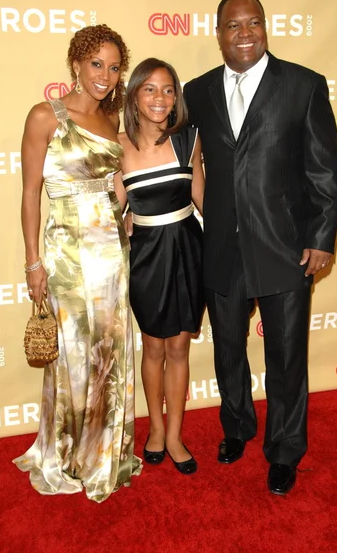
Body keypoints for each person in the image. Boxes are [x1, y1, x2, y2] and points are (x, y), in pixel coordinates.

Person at [183, 0, 337, 495]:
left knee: (288, 356)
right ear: (219, 33)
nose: (245, 33)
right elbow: (180, 161)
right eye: (233, 25)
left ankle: (285, 449)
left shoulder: (303, 85)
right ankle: (237, 427)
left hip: (286, 246)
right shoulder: (198, 91)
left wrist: (321, 238)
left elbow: (324, 170)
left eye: (254, 23)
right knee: (228, 349)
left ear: (265, 28)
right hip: (222, 248)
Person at [13, 24, 142, 502]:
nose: (105, 76)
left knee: (110, 351)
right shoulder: (46, 116)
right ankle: (65, 452)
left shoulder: (113, 123)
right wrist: (32, 262)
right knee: (72, 356)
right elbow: (29, 194)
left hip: (112, 251)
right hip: (66, 251)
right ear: (76, 64)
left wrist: (126, 216)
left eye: (112, 67)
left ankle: (105, 452)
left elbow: (117, 184)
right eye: (96, 65)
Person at [116, 58, 204, 474]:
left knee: (179, 347)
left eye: (168, 89)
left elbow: (204, 199)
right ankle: (153, 428)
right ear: (134, 94)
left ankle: (174, 435)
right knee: (152, 347)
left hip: (188, 249)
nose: (160, 98)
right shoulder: (116, 147)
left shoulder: (189, 139)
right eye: (150, 89)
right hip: (146, 256)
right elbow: (111, 209)